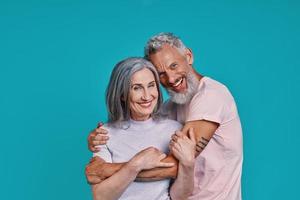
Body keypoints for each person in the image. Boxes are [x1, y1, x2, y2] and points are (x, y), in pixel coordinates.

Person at [86, 33, 243, 200]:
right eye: (161, 73)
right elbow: (141, 127)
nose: (171, 78)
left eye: (174, 65)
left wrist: (105, 170)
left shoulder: (211, 96)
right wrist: (96, 139)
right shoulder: (168, 109)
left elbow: (173, 167)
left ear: (188, 56)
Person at [89, 57, 196, 200]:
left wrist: (188, 164)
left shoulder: (174, 130)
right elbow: (101, 196)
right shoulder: (104, 134)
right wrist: (136, 164)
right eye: (137, 88)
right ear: (122, 94)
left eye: (151, 85)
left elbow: (180, 196)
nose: (147, 96)